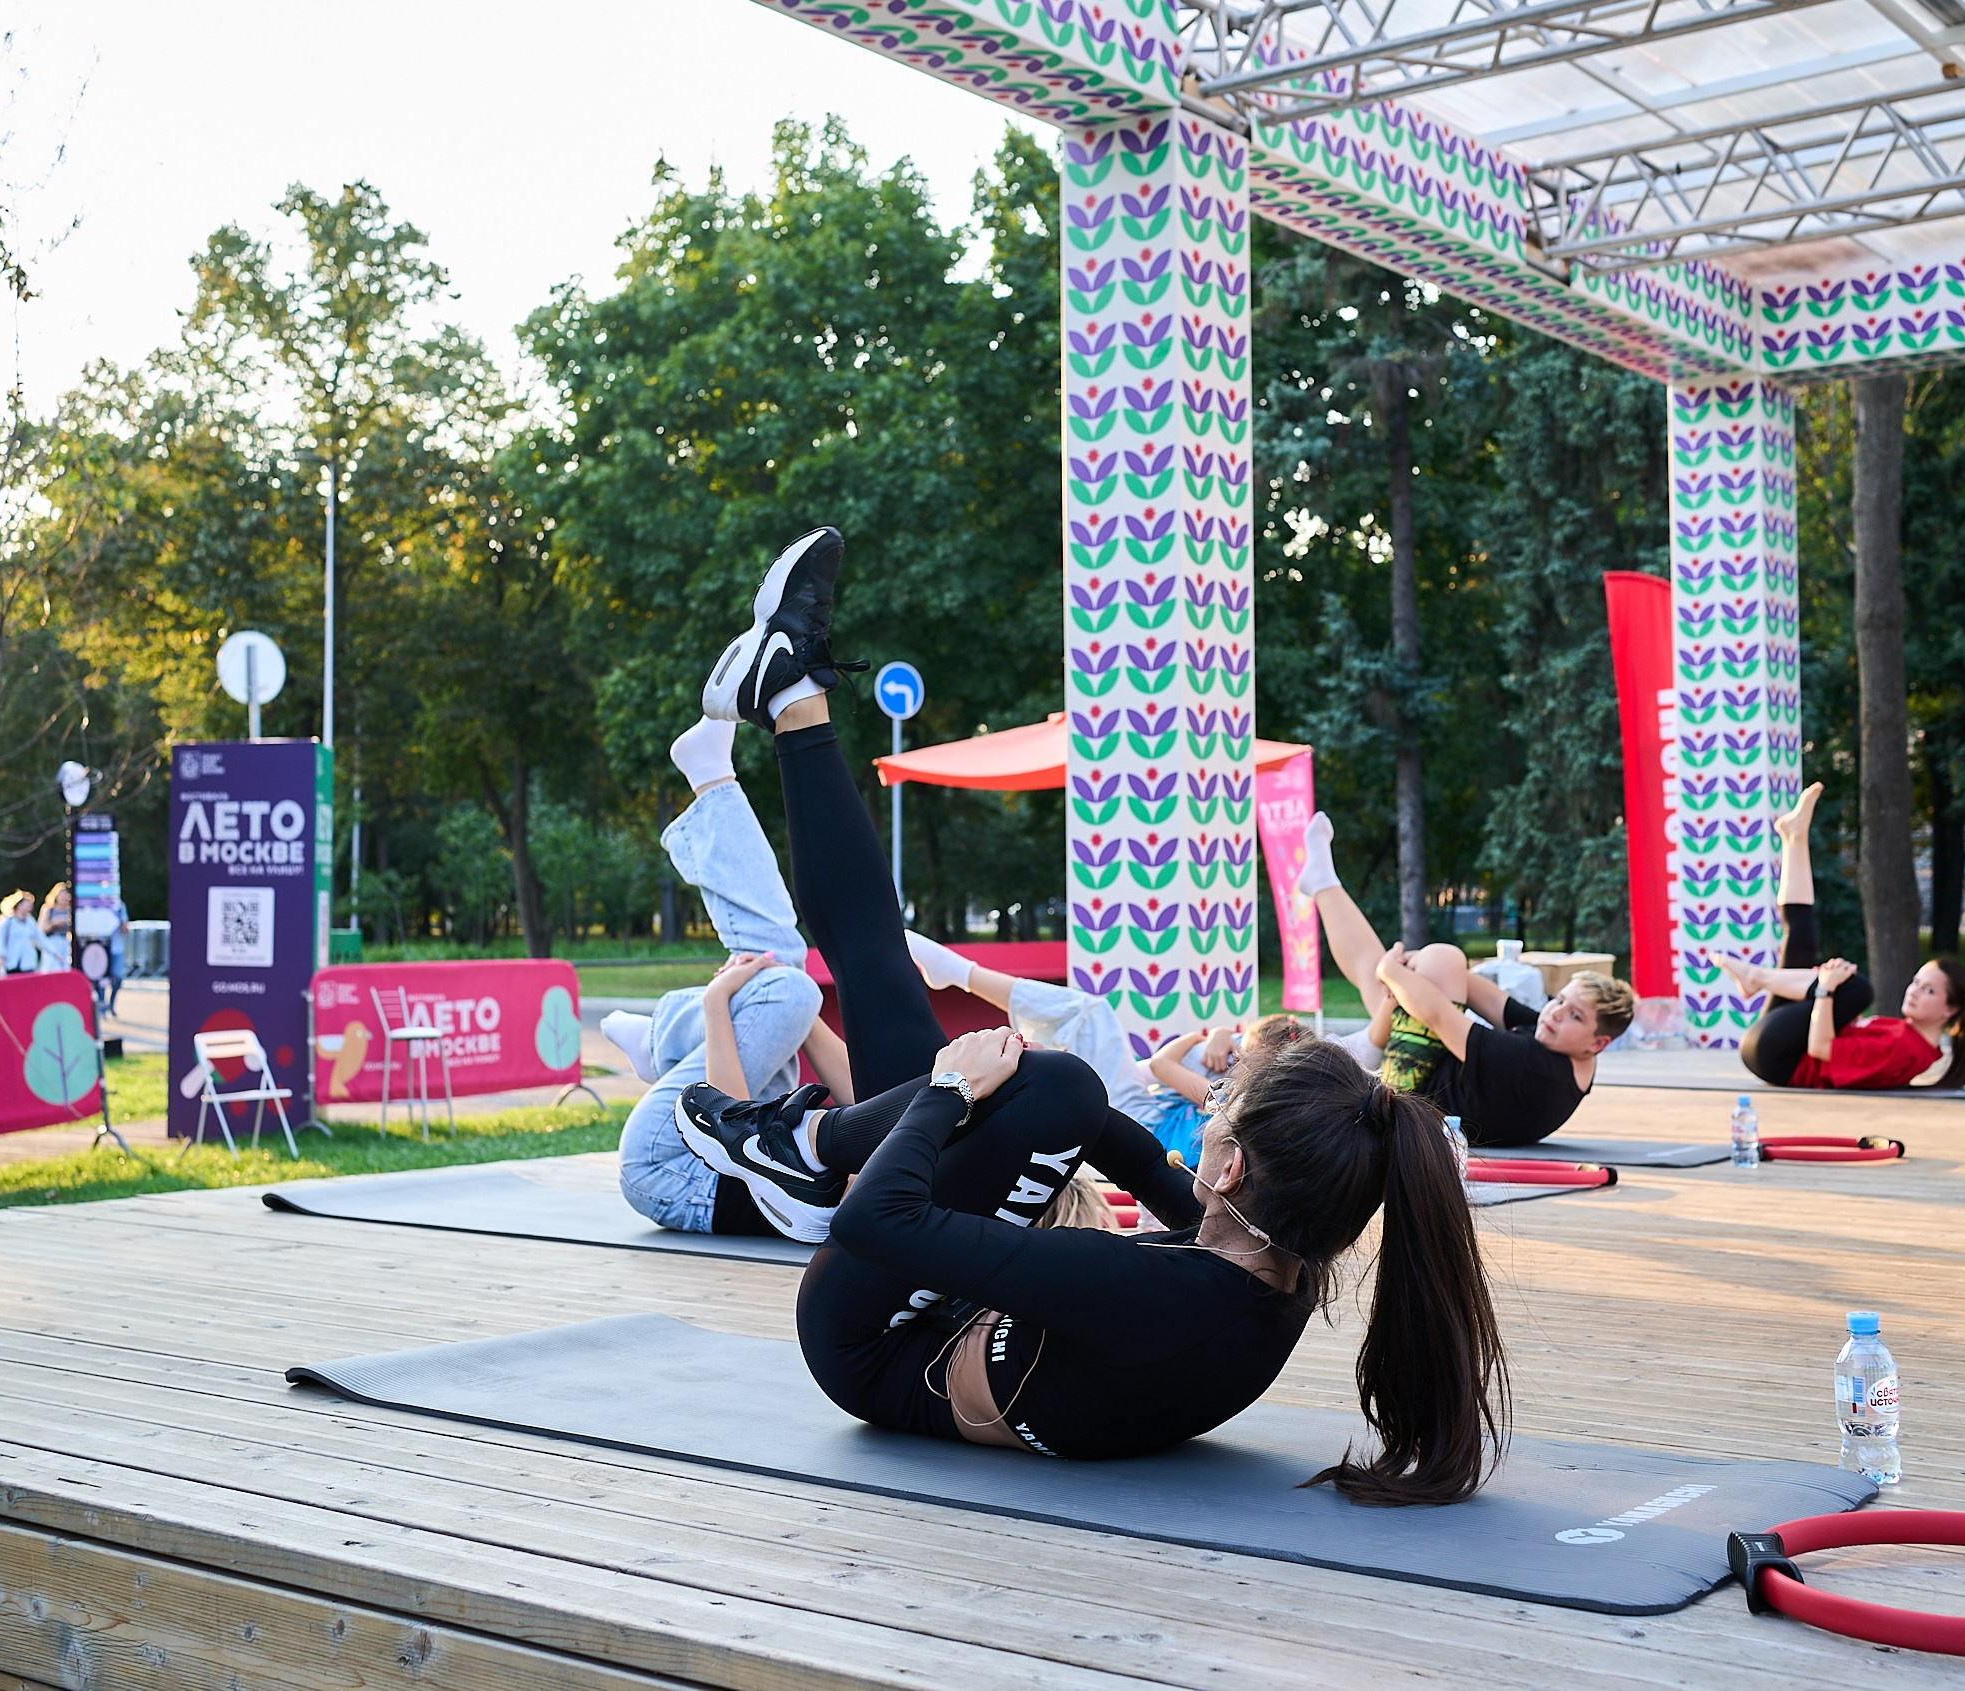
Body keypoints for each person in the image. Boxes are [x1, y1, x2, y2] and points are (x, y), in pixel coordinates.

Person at [675, 526, 1505, 1497]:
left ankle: (804, 1146)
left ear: (1231, 1167)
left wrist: (949, 1094)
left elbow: (876, 1222)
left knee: (1029, 1070)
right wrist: (1047, 1098)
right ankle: (790, 694)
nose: (1208, 1111)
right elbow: (1148, 1168)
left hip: (870, 1339)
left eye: (1220, 1108)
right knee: (941, 1007)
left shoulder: (1154, 1291)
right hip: (954, 1321)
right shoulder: (1271, 1263)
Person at [606, 707, 856, 1238]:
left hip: (671, 1164)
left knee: (785, 983)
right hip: (742, 1138)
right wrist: (790, 1010)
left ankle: (667, 1034)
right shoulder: (925, 1145)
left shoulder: (900, 1195)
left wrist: (717, 1004)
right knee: (787, 986)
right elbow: (864, 1101)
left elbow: (736, 1130)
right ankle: (666, 1039)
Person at [1296, 813, 1634, 1149]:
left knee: (1420, 968)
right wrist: (1416, 966)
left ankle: (1370, 1044)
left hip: (1412, 1101)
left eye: (1575, 1015)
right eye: (1559, 999)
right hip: (1443, 1075)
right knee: (1440, 963)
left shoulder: (1535, 1067)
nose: (1556, 1013)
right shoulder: (1566, 1044)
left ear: (1598, 1044)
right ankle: (1324, 884)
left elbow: (1439, 1016)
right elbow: (1491, 1000)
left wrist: (1392, 971)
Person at [901, 936, 1293, 1168]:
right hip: (1144, 1116)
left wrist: (1200, 1037)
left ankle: (963, 975)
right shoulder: (1238, 1092)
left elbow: (1160, 1065)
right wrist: (1220, 1035)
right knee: (1085, 1022)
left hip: (1141, 1128)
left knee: (1091, 1015)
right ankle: (960, 976)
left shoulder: (1229, 1098)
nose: (1234, 1057)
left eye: (1243, 1053)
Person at [1719, 782, 1965, 1089]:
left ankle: (1756, 977)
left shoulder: (1907, 1050)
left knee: (1857, 990)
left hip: (1780, 1058)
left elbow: (1821, 1049)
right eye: (1917, 983)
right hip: (1776, 1049)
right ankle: (1794, 838)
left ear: (1950, 1009)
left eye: (1929, 991)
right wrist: (1825, 984)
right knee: (1801, 939)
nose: (1913, 991)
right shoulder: (1908, 1037)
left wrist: (1825, 990)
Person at [0, 891, 42, 976]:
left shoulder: (30, 922)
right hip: (11, 963)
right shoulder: (7, 922)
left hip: (28, 963)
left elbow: (41, 938)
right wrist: (0, 956)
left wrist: (54, 953)